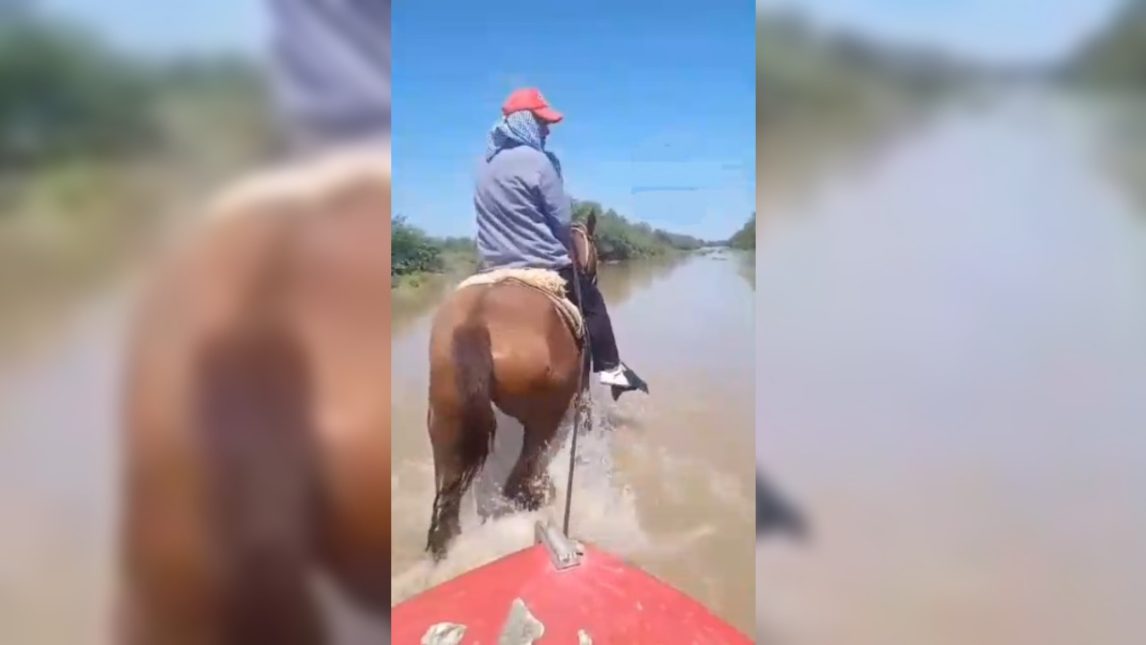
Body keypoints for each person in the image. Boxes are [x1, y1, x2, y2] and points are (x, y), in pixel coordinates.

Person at [474, 87, 648, 395]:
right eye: (542, 123)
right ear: (525, 122)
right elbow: (562, 219)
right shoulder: (539, 162)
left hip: (490, 267)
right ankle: (611, 369)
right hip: (542, 263)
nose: (547, 131)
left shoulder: (483, 165)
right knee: (592, 302)